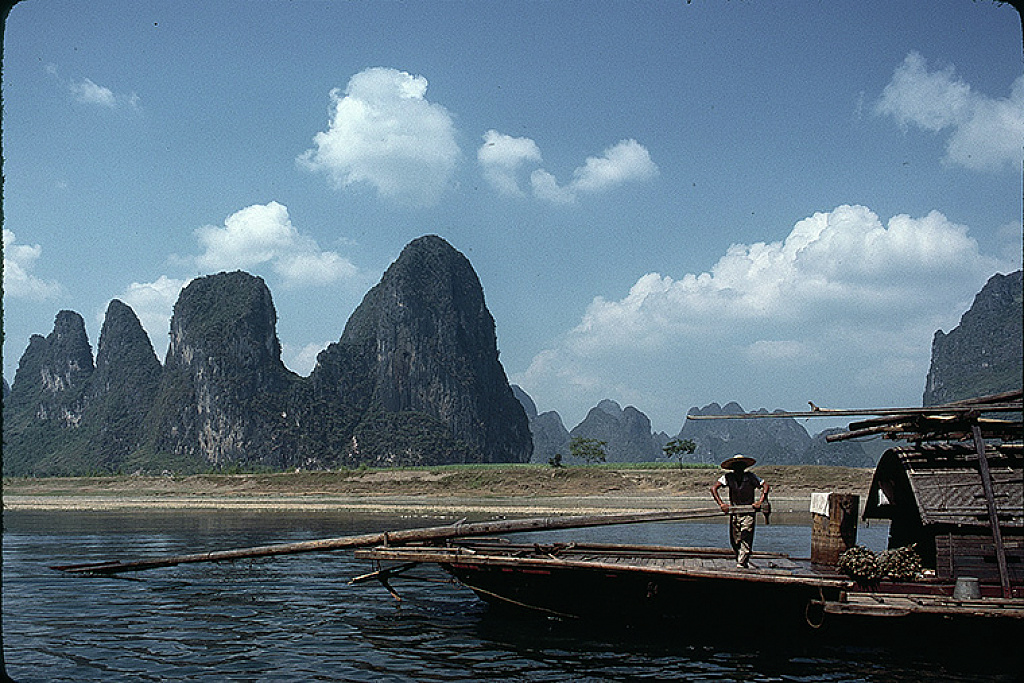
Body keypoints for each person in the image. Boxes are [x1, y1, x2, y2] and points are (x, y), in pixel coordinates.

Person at [710, 455, 769, 568]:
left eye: (740, 466)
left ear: (744, 467)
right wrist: (721, 504)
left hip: (748, 513)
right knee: (735, 539)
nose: (738, 469)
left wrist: (760, 502)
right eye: (736, 466)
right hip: (735, 512)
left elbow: (765, 486)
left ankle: (741, 563)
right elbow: (713, 488)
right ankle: (740, 559)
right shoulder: (728, 477)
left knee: (746, 536)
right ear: (732, 468)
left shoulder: (751, 477)